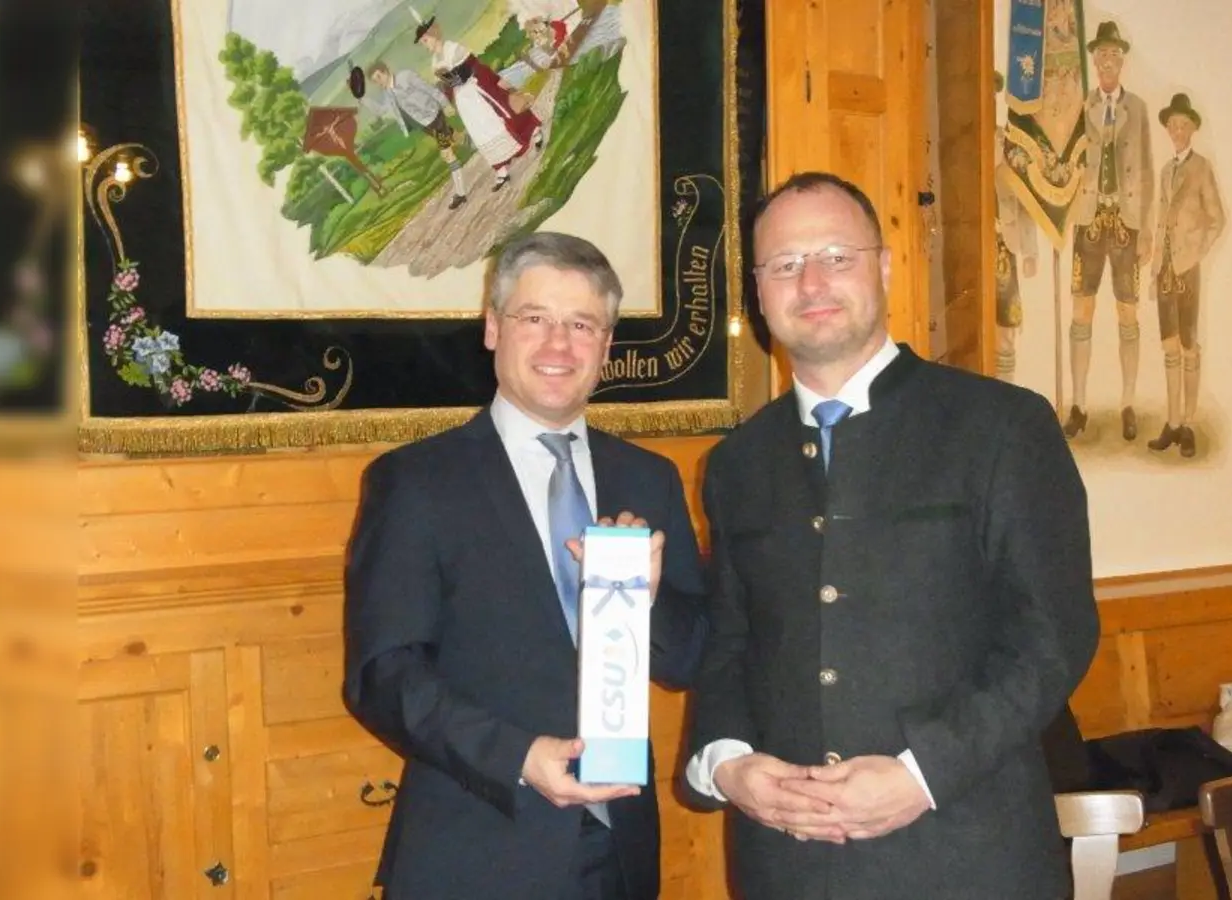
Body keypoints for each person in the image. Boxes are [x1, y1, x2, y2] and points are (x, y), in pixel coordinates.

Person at [684, 172, 1101, 899]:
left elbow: (1052, 639)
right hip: (790, 864)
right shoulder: (735, 465)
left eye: (836, 256)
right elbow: (729, 643)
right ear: (758, 291)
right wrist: (725, 762)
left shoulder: (1001, 428)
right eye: (784, 265)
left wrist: (920, 773)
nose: (810, 281)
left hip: (968, 855)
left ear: (882, 266)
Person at [344, 231, 709, 900]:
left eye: (581, 325)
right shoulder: (416, 482)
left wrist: (650, 598)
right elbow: (383, 675)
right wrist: (517, 756)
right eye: (534, 319)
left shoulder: (649, 479)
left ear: (606, 344)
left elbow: (687, 658)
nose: (557, 345)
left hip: (617, 853)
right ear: (492, 327)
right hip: (475, 850)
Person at [1066, 20, 1154, 442]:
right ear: (1094, 60)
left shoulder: (1137, 109)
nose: (1106, 61)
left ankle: (1127, 404)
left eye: (1113, 54)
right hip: (1088, 220)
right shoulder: (1080, 107)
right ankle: (1079, 405)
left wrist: (1148, 231)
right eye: (1100, 54)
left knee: (1127, 314)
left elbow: (1150, 172)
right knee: (1082, 311)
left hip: (1126, 224)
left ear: (1122, 60)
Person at [1146, 93, 1225, 459]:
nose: (1178, 131)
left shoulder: (1201, 168)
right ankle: (1173, 421)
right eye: (1173, 125)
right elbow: (1160, 222)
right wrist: (1154, 269)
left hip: (1187, 269)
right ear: (1168, 129)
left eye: (1184, 125)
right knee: (1169, 344)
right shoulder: (1165, 171)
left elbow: (1217, 219)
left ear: (1193, 129)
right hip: (1164, 270)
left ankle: (1189, 423)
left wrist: (1194, 251)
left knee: (1189, 343)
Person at [417, 17, 544, 191]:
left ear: (434, 35)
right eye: (423, 42)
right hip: (463, 100)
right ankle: (501, 169)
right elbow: (446, 84)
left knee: (501, 114)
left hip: (477, 89)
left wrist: (461, 76)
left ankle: (534, 130)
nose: (425, 44)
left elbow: (474, 66)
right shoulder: (434, 62)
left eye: (426, 39)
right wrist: (448, 97)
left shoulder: (453, 49)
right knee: (480, 132)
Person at [361, 61, 470, 209]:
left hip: (434, 116)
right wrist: (361, 97)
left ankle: (461, 193)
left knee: (447, 154)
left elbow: (429, 89)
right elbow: (381, 111)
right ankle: (479, 145)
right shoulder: (388, 93)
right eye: (375, 81)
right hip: (424, 124)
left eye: (379, 77)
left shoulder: (406, 76)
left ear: (386, 71)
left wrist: (445, 104)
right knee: (455, 137)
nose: (379, 82)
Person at [993, 69, 1040, 383]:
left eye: (988, 94)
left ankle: (1003, 400)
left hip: (1004, 247)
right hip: (970, 250)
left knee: (1006, 329)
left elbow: (1024, 201)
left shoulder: (1008, 144)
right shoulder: (957, 141)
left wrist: (1030, 249)